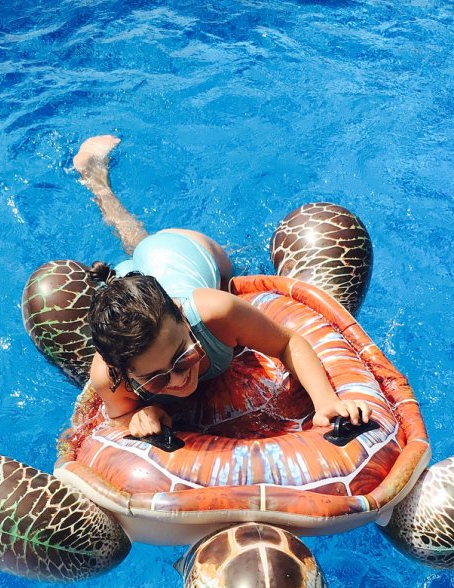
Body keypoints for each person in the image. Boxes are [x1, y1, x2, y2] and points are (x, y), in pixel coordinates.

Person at [73, 135, 371, 438]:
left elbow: (287, 342)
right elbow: (120, 415)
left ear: (181, 315)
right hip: (131, 280)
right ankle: (95, 180)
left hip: (184, 249)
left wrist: (326, 403)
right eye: (156, 379)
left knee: (236, 278)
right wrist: (138, 414)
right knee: (132, 242)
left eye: (182, 357)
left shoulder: (215, 311)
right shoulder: (107, 375)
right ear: (122, 371)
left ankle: (103, 187)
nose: (177, 381)